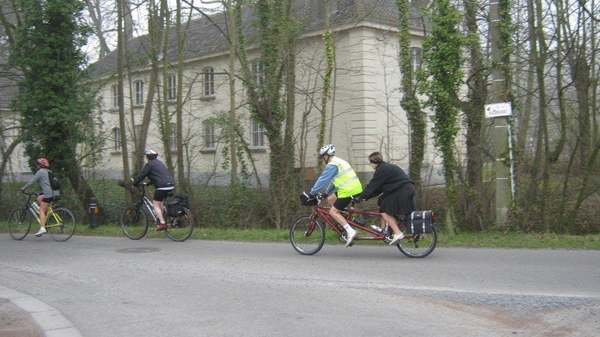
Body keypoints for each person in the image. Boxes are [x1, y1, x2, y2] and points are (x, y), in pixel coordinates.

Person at [305, 144, 363, 247]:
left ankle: (350, 231)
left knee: (333, 212)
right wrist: (326, 193)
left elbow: (322, 180)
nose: (323, 160)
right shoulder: (339, 162)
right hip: (352, 188)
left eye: (323, 157)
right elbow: (333, 181)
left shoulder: (332, 165)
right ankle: (343, 217)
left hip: (348, 190)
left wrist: (312, 193)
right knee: (330, 199)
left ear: (326, 156)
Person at [357, 151, 415, 245]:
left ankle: (398, 232)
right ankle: (384, 230)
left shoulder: (381, 170)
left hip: (402, 190)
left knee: (384, 209)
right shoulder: (384, 168)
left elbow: (372, 185)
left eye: (370, 162)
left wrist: (360, 197)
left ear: (375, 162)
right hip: (404, 188)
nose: (370, 165)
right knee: (381, 201)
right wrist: (366, 197)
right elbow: (378, 189)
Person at [132, 149, 175, 231]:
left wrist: (135, 183)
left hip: (162, 187)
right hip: (170, 185)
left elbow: (142, 175)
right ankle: (162, 218)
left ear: (148, 157)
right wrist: (150, 182)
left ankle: (162, 223)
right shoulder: (159, 163)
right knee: (160, 203)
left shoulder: (149, 164)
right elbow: (159, 175)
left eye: (146, 156)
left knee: (155, 205)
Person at [19, 158, 60, 237]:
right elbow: (48, 184)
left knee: (41, 209)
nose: (37, 165)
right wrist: (41, 193)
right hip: (55, 193)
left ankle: (42, 228)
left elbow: (31, 182)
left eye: (37, 164)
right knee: (39, 198)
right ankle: (45, 218)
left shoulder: (40, 172)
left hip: (49, 194)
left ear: (40, 165)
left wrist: (22, 189)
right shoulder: (49, 171)